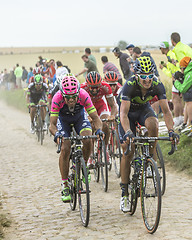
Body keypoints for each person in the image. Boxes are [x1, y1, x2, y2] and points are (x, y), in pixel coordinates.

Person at [118, 56, 179, 212]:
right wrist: (129, 132)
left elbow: (166, 111)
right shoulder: (129, 86)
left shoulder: (157, 85)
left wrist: (172, 131)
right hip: (128, 114)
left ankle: (151, 158)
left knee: (153, 124)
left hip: (143, 110)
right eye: (143, 76)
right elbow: (123, 115)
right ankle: (124, 193)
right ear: (137, 75)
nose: (147, 80)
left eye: (150, 75)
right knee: (127, 150)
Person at [49, 74, 104, 202]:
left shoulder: (84, 95)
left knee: (87, 138)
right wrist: (56, 134)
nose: (71, 100)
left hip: (80, 117)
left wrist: (100, 129)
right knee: (65, 147)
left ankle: (83, 164)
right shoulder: (57, 98)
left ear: (78, 93)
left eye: (74, 96)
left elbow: (96, 118)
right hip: (63, 121)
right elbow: (52, 124)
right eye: (68, 97)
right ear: (62, 94)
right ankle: (65, 185)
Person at [81, 71, 118, 164]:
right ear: (88, 85)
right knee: (91, 127)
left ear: (100, 84)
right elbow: (80, 106)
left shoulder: (105, 86)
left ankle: (104, 148)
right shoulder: (82, 88)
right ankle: (91, 155)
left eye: (96, 87)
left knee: (104, 124)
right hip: (87, 106)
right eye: (92, 88)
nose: (94, 90)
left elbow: (113, 105)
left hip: (100, 105)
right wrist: (86, 116)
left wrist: (112, 115)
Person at [159, 41, 183, 126]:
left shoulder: (170, 56)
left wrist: (162, 69)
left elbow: (173, 71)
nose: (160, 50)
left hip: (177, 79)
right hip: (179, 78)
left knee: (175, 99)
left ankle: (177, 119)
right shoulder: (170, 54)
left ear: (163, 48)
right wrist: (166, 67)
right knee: (178, 100)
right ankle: (180, 118)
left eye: (160, 48)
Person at [173, 57, 192, 136]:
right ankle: (187, 124)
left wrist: (176, 82)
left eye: (181, 68)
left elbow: (183, 88)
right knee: (188, 102)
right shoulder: (189, 72)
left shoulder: (190, 73)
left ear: (184, 67)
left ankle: (190, 124)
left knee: (189, 102)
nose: (181, 71)